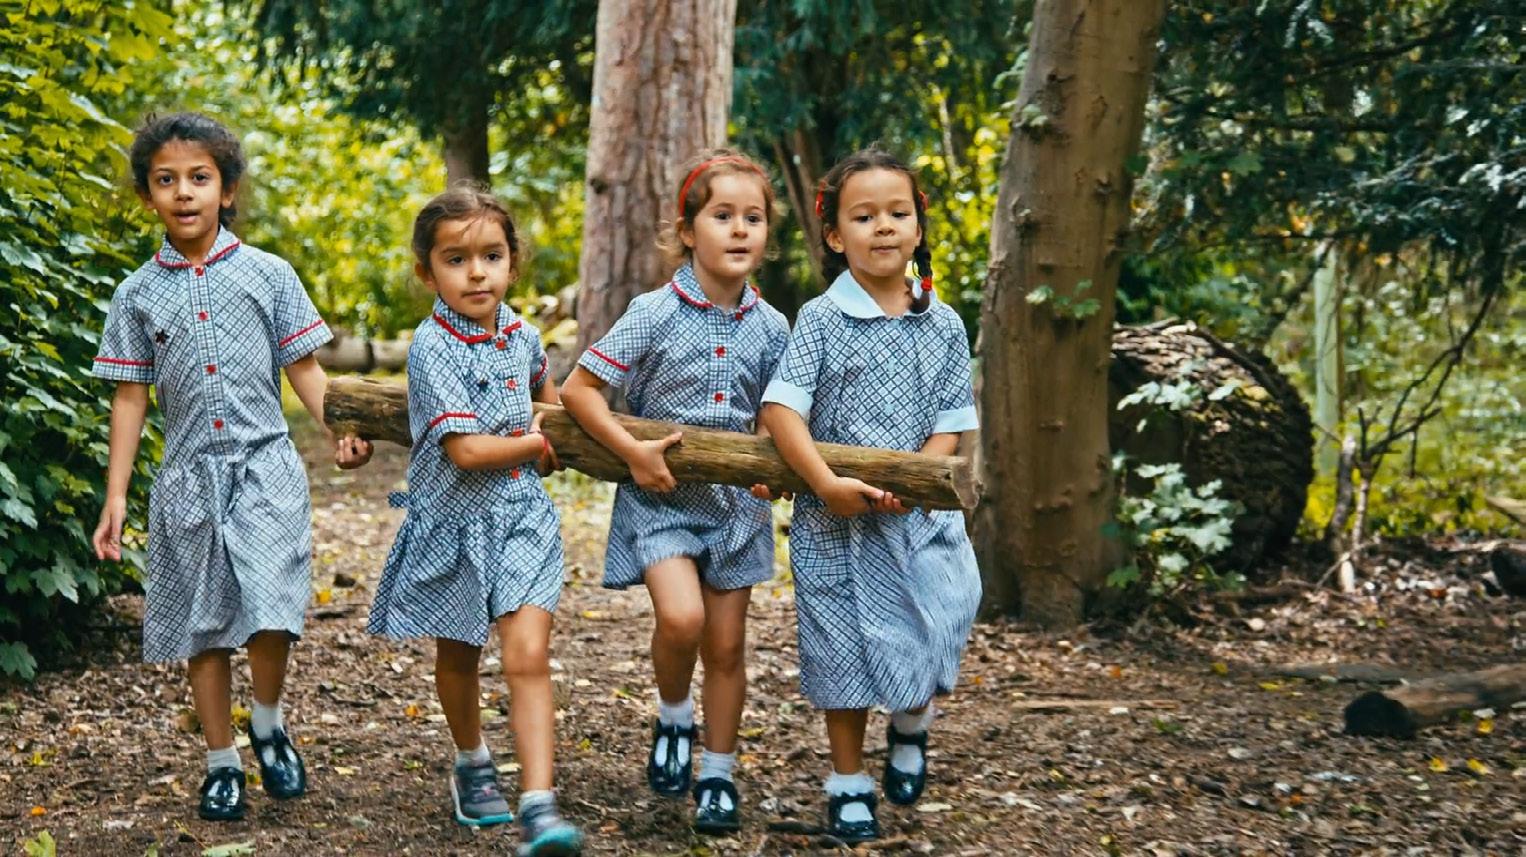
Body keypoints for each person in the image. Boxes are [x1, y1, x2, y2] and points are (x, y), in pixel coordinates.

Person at [91, 111, 373, 822]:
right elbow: (130, 398)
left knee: (274, 604)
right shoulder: (135, 295)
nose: (184, 192)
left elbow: (305, 370)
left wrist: (341, 428)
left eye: (199, 177)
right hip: (189, 478)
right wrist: (116, 495)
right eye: (166, 180)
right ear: (148, 195)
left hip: (266, 466)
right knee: (206, 624)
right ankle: (221, 762)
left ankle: (268, 722)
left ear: (227, 188)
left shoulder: (268, 275)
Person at [560, 148, 790, 834]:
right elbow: (579, 389)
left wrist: (768, 462)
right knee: (683, 620)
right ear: (688, 231)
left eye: (754, 218)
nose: (740, 229)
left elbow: (777, 414)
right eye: (723, 216)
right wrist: (632, 452)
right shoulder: (654, 313)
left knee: (727, 646)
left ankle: (717, 774)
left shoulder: (774, 327)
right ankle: (672, 714)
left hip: (736, 511)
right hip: (661, 503)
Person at [759, 145, 981, 842]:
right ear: (835, 236)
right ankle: (848, 782)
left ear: (918, 225)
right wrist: (825, 483)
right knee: (841, 651)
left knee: (940, 618)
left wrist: (912, 483)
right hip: (836, 525)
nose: (883, 226)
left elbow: (951, 422)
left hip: (918, 520)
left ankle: (912, 720)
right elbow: (782, 411)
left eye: (897, 213)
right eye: (863, 216)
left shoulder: (943, 322)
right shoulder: (822, 319)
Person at [366, 186, 582, 856]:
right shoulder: (432, 346)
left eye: (492, 256)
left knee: (528, 654)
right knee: (459, 655)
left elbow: (548, 401)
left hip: (522, 520)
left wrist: (552, 428)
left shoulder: (524, 336)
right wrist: (536, 443)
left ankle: (540, 805)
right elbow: (464, 451)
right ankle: (472, 760)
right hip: (453, 523)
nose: (477, 273)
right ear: (428, 273)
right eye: (457, 260)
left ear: (512, 262)